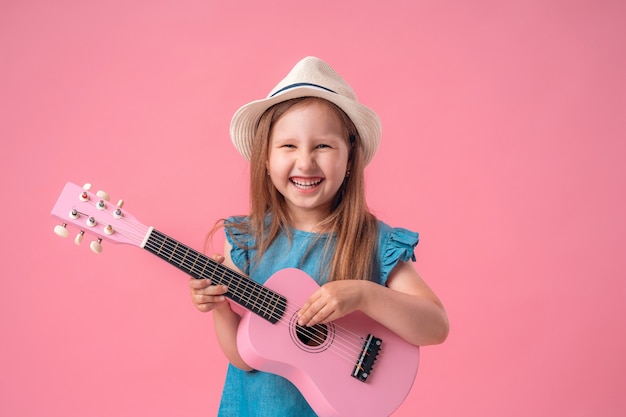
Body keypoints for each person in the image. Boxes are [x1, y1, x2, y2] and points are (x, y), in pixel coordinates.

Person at [189, 56, 449, 416]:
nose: (306, 162)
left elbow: (435, 327)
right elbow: (244, 359)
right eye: (288, 146)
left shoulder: (376, 242)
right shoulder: (247, 242)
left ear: (350, 157)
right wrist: (220, 308)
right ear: (265, 158)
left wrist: (364, 294)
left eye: (323, 146)